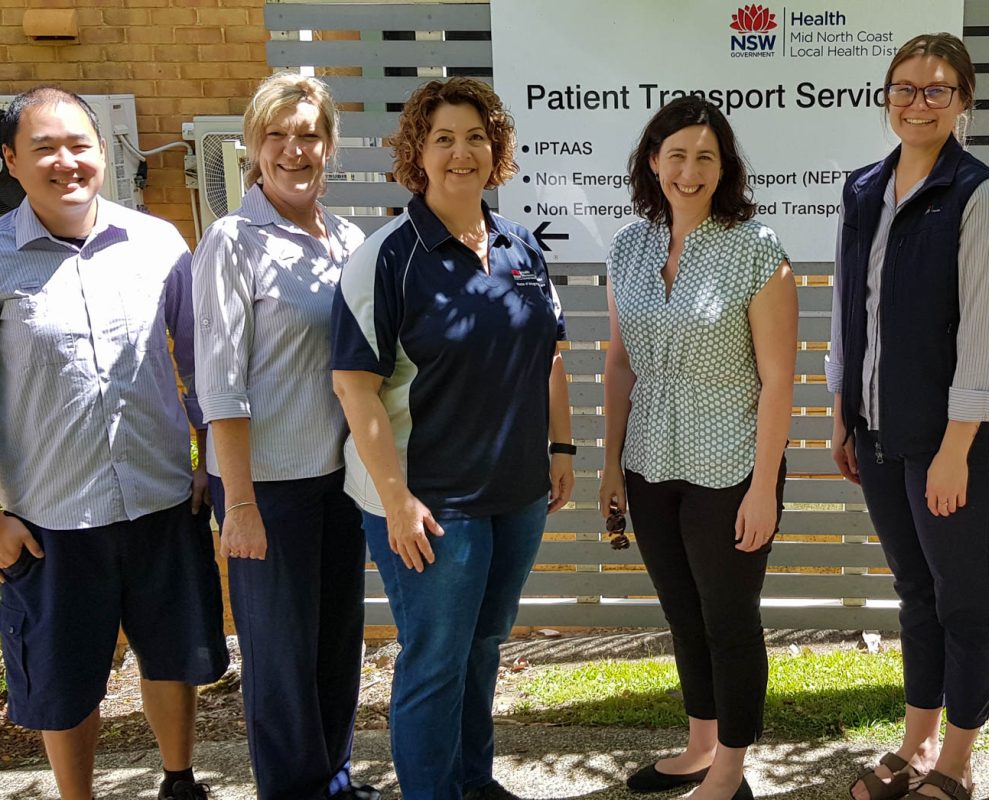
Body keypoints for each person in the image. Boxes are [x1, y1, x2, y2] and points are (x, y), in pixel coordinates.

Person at [329, 76, 573, 800]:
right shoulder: (387, 256)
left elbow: (551, 355)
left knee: (481, 650)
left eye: (475, 137)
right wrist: (397, 501)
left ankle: (472, 781)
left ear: (496, 148)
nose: (461, 152)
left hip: (516, 495)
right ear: (418, 153)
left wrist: (560, 448)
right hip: (431, 504)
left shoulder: (519, 243)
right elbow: (355, 386)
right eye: (443, 139)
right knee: (435, 661)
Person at [0, 87, 227, 800]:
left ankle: (179, 779)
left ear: (103, 153)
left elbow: (200, 363)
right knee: (63, 678)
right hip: (48, 516)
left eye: (79, 145)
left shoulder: (157, 242)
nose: (65, 162)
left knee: (173, 657)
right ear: (10, 160)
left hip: (161, 495)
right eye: (44, 148)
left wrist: (209, 459)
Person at [828, 33, 989, 800]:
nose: (918, 102)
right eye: (904, 88)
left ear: (963, 99)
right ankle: (916, 745)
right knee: (914, 591)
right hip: (877, 429)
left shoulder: (982, 195)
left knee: (962, 596)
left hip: (956, 442)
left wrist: (955, 449)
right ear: (887, 97)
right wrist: (843, 412)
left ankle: (959, 762)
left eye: (937, 89)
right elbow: (852, 310)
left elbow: (984, 333)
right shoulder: (862, 189)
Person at [599, 96, 797, 800]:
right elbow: (621, 363)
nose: (689, 170)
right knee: (684, 614)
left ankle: (732, 773)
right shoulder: (629, 245)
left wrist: (765, 487)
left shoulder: (757, 249)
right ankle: (700, 748)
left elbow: (779, 380)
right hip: (650, 462)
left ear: (725, 168)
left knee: (730, 622)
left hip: (731, 467)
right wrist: (610, 464)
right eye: (676, 154)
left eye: (705, 157)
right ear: (653, 161)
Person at [191, 73, 377, 800]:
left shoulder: (349, 240)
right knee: (279, 662)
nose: (294, 150)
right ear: (252, 147)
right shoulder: (232, 241)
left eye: (308, 135)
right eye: (278, 135)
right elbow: (220, 387)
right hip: (267, 489)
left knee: (336, 652)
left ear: (329, 146)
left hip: (342, 483)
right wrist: (237, 504)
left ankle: (333, 781)